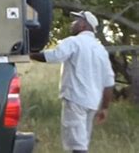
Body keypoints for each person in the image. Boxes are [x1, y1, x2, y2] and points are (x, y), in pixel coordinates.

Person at [30, 10, 115, 153]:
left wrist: (29, 54)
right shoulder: (101, 50)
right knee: (82, 141)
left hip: (76, 99)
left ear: (83, 25)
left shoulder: (74, 42)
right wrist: (105, 108)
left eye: (76, 21)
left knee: (77, 145)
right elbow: (109, 83)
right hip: (92, 103)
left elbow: (54, 56)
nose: (72, 24)